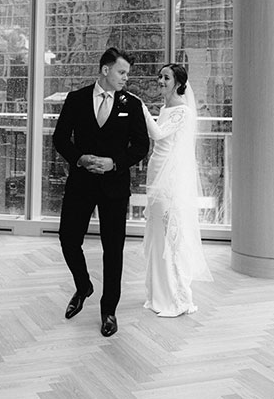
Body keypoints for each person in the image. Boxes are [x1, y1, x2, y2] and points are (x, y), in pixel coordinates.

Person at [53, 47, 150, 337]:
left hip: (114, 188)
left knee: (113, 251)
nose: (125, 78)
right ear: (105, 70)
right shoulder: (76, 99)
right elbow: (60, 138)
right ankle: (83, 286)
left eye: (127, 73)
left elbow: (141, 146)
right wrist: (80, 158)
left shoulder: (132, 104)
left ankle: (109, 310)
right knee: (68, 239)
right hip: (81, 184)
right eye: (122, 72)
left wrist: (114, 163)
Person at [139, 63, 212, 317]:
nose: (160, 81)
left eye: (166, 77)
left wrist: (142, 110)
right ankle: (157, 294)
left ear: (179, 83)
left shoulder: (182, 111)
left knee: (170, 234)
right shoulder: (165, 108)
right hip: (155, 170)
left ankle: (176, 298)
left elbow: (158, 134)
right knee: (158, 233)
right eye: (159, 76)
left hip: (169, 178)